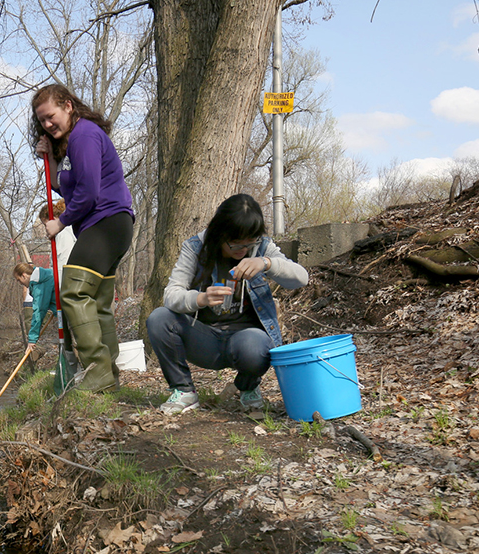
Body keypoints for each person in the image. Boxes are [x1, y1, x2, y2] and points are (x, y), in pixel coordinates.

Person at [146, 193, 309, 415]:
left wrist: (266, 263)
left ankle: (248, 387)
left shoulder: (262, 247)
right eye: (235, 243)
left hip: (246, 341)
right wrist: (200, 299)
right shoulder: (196, 247)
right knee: (159, 318)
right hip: (205, 339)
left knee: (256, 345)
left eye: (249, 242)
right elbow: (171, 295)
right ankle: (183, 390)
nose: (242, 249)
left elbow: (302, 277)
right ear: (219, 234)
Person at [31, 84, 134, 392]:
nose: (48, 124)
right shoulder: (74, 142)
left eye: (51, 116)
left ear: (68, 106)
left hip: (107, 223)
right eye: (42, 122)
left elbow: (88, 194)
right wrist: (49, 160)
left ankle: (96, 371)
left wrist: (60, 222)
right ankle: (108, 375)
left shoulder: (85, 136)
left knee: (74, 294)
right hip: (107, 227)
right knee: (99, 303)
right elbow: (70, 188)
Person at [14, 261, 55, 353]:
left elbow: (39, 311)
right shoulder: (46, 275)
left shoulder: (39, 284)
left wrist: (32, 340)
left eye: (19, 280)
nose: (20, 283)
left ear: (24, 275)